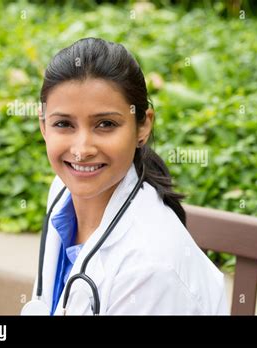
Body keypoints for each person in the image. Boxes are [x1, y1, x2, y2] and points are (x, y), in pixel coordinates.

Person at [27, 38, 229, 315]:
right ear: (43, 126)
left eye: (106, 124)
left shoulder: (152, 268)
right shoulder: (61, 191)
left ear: (142, 126)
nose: (82, 149)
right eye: (63, 124)